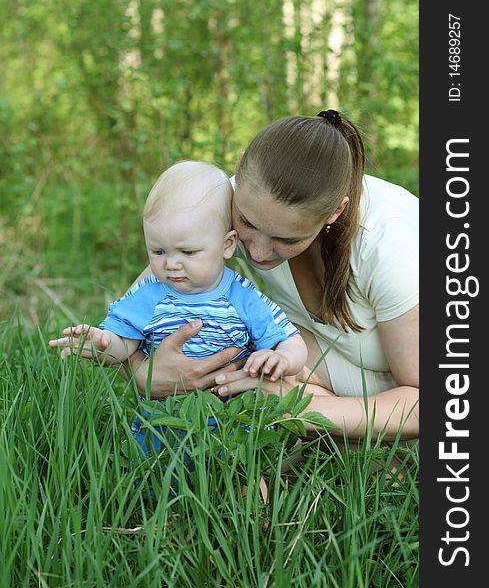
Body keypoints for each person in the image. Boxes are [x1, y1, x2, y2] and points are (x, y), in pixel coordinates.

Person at [122, 110, 419, 445]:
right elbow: (139, 306)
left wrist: (295, 411)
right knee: (227, 356)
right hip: (318, 366)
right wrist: (142, 373)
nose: (259, 251)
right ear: (239, 168)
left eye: (287, 240)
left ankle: (369, 455)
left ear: (335, 211)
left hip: (398, 391)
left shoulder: (391, 244)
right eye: (246, 222)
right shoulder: (223, 201)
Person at [48, 160, 307, 384]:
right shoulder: (150, 294)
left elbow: (290, 340)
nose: (171, 264)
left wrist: (282, 357)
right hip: (165, 421)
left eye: (188, 252)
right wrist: (103, 343)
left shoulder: (243, 297)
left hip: (233, 420)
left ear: (226, 245)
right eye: (159, 252)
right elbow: (124, 346)